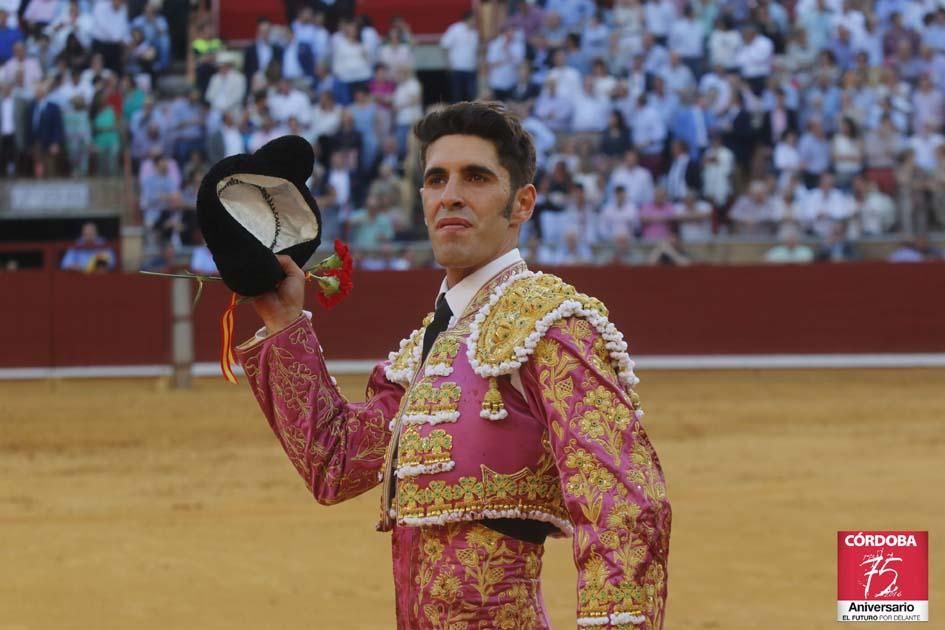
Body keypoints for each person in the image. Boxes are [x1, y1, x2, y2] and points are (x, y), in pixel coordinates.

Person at [235, 101, 670, 628]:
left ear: (522, 203)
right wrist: (285, 323)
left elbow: (623, 507)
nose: (451, 196)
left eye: (477, 177)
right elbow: (337, 463)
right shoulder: (428, 348)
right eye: (436, 179)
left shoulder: (550, 325)